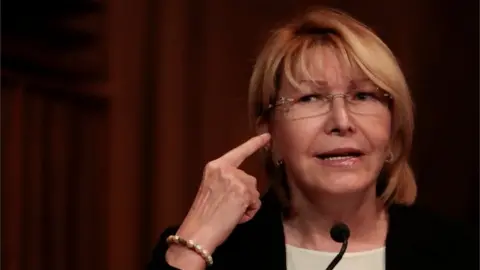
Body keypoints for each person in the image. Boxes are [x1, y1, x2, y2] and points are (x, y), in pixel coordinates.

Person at [146, 7, 477, 270]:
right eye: (309, 99)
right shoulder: (217, 254)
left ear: (392, 133)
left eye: (363, 96)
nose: (341, 122)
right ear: (269, 133)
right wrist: (195, 244)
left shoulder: (458, 254)